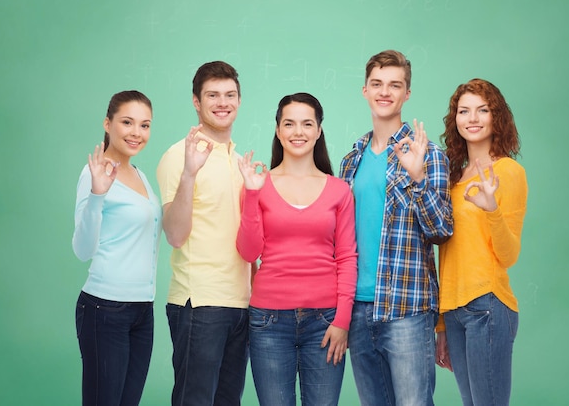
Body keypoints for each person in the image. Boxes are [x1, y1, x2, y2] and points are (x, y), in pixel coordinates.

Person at [339, 50, 453, 406]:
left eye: (394, 85)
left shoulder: (428, 154)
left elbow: (441, 229)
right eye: (377, 84)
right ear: (365, 91)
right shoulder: (351, 160)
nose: (384, 92)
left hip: (407, 307)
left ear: (407, 94)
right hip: (358, 308)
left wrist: (417, 176)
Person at [236, 92, 358, 406]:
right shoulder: (258, 185)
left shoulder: (339, 190)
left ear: (319, 131)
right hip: (268, 322)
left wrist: (342, 320)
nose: (298, 132)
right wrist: (251, 194)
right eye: (289, 124)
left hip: (326, 321)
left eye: (307, 124)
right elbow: (250, 253)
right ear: (278, 130)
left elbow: (346, 257)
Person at [156, 61, 252, 406]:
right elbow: (175, 234)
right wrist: (188, 175)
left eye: (229, 95)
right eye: (212, 95)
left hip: (240, 304)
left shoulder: (239, 162)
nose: (222, 102)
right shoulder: (178, 157)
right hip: (199, 303)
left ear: (239, 101)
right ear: (196, 102)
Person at [435, 79, 528, 406]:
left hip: (487, 306)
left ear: (495, 117)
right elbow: (445, 253)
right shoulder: (453, 177)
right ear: (455, 119)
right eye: (464, 111)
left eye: (482, 110)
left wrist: (491, 211)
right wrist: (442, 323)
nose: (472, 118)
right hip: (455, 311)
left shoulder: (508, 172)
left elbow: (509, 254)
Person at [73, 90, 162, 406]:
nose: (137, 133)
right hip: (104, 309)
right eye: (127, 122)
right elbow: (82, 249)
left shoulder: (139, 174)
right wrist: (97, 195)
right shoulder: (94, 172)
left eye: (145, 125)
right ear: (107, 124)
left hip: (142, 310)